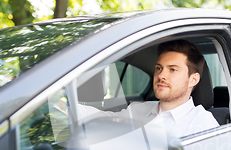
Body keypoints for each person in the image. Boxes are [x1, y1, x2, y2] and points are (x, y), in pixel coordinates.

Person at [75, 39, 219, 137]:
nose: (161, 75)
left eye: (173, 70)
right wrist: (63, 107)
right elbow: (103, 120)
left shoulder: (203, 125)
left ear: (193, 79)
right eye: (158, 68)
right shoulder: (139, 110)